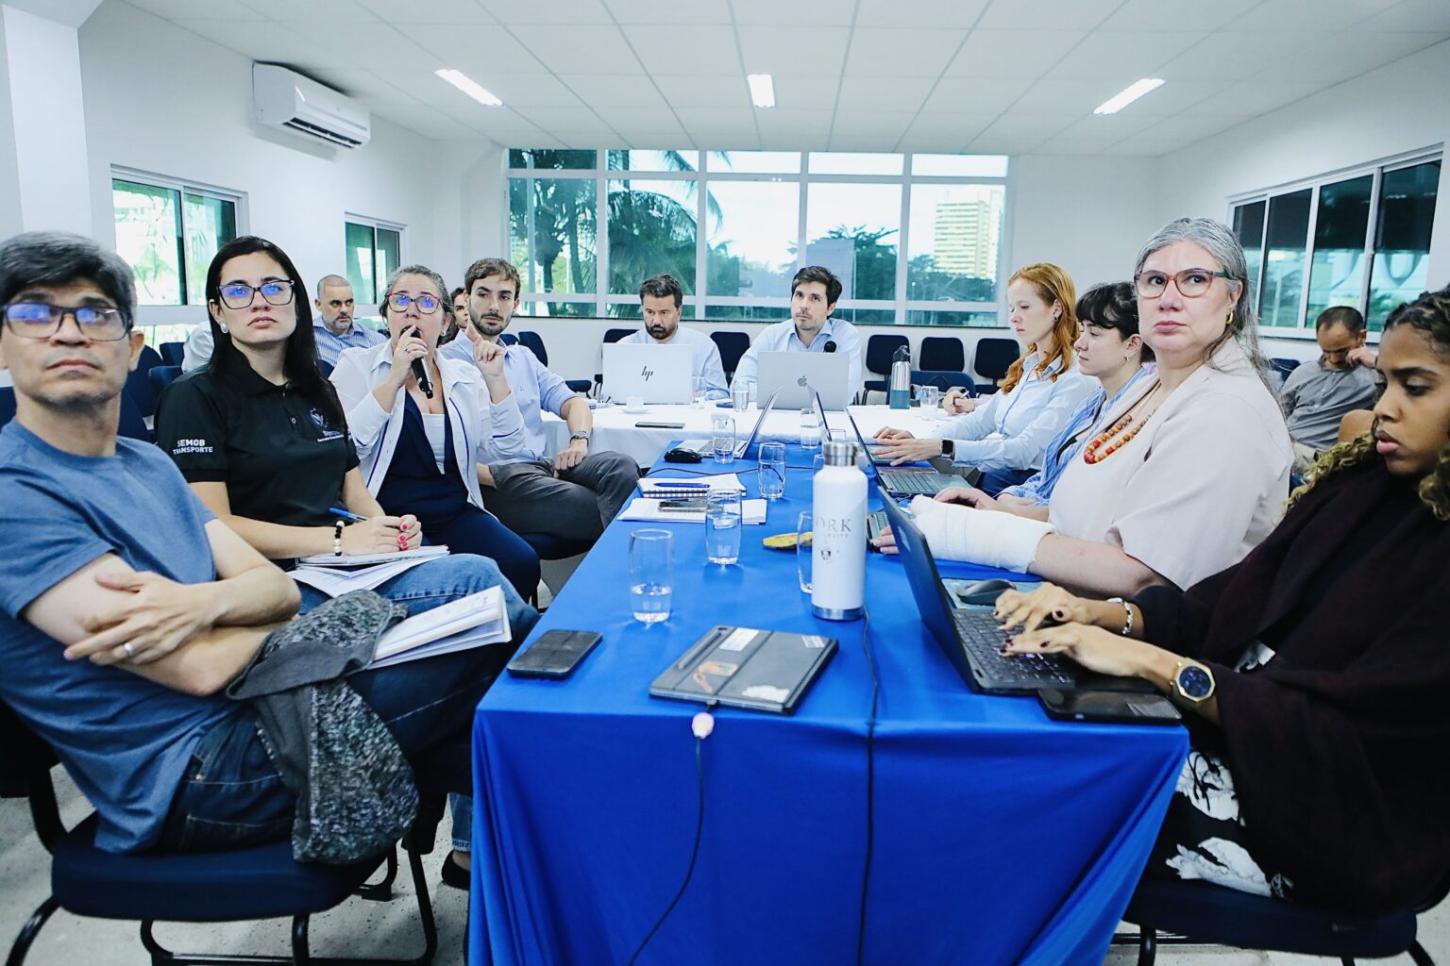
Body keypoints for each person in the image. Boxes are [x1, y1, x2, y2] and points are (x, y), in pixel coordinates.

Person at [0, 231, 536, 865]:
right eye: (35, 313)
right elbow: (197, 668)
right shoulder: (18, 496)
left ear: (130, 347)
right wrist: (292, 620)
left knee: (492, 613)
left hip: (265, 698)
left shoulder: (143, 465)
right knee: (504, 638)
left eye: (96, 314)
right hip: (203, 767)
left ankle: (505, 863)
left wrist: (205, 607)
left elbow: (274, 592)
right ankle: (527, 863)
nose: (68, 333)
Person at [990, 284, 1450, 912]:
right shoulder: (1363, 485)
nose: (1385, 411)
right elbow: (1232, 597)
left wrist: (1153, 664)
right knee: (1026, 734)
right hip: (1248, 735)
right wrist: (1105, 616)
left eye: (1415, 388)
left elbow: (1346, 731)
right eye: (1385, 386)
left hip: (1341, 815)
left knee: (1031, 789)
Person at [877, 219, 1293, 597]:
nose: (1169, 299)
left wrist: (973, 533)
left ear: (1233, 297)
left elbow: (1145, 575)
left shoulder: (1226, 411)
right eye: (1154, 281)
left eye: (1196, 280)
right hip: (1066, 596)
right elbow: (1087, 515)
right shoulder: (1150, 386)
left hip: (1137, 648)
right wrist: (999, 512)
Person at [329, 263, 541, 599]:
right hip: (389, 517)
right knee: (447, 582)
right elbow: (346, 450)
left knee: (522, 562)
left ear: (444, 322)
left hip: (454, 510)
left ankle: (505, 644)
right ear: (387, 316)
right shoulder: (356, 365)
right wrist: (393, 380)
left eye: (426, 303)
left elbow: (505, 448)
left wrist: (496, 379)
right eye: (400, 301)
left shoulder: (462, 375)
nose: (411, 311)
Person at [446, 256, 639, 544]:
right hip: (493, 479)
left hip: (542, 467)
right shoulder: (446, 362)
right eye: (483, 294)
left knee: (622, 468)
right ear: (467, 298)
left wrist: (579, 440)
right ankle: (622, 563)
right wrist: (482, 475)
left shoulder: (523, 356)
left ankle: (614, 561)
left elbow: (574, 403)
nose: (494, 306)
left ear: (516, 304)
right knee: (591, 504)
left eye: (504, 296)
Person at [874, 263, 1095, 495]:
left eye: (1025, 307)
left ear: (1056, 308)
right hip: (993, 476)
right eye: (1011, 309)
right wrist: (919, 441)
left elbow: (1023, 452)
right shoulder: (1030, 367)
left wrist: (942, 447)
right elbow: (980, 422)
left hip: (1021, 489)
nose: (1014, 318)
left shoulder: (1075, 378)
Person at [949, 281, 1154, 518]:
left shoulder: (1135, 411)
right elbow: (1049, 475)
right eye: (1082, 330)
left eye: (1094, 334)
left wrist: (1006, 509)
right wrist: (1010, 497)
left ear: (1132, 344)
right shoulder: (1094, 403)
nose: (1079, 343)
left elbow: (1090, 510)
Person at [732, 265, 863, 396]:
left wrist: (775, 393)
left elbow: (845, 393)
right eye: (799, 295)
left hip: (826, 416)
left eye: (815, 298)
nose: (804, 305)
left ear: (830, 308)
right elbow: (739, 387)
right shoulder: (772, 335)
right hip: (778, 415)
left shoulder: (845, 335)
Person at [1279, 305, 1378, 473]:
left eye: (1341, 351)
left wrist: (1377, 363)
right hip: (1282, 445)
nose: (1333, 358)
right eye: (1326, 351)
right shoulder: (1304, 371)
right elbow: (1278, 412)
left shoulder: (1374, 377)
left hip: (1316, 460)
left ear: (1362, 336)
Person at [617, 273, 727, 399]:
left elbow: (721, 395)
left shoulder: (704, 347)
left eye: (664, 313)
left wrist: (695, 397)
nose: (656, 320)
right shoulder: (625, 348)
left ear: (679, 312)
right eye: (650, 312)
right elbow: (609, 397)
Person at [311, 274, 383, 367]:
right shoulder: (305, 338)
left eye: (349, 302)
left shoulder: (374, 341)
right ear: (318, 304)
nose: (344, 310)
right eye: (336, 303)